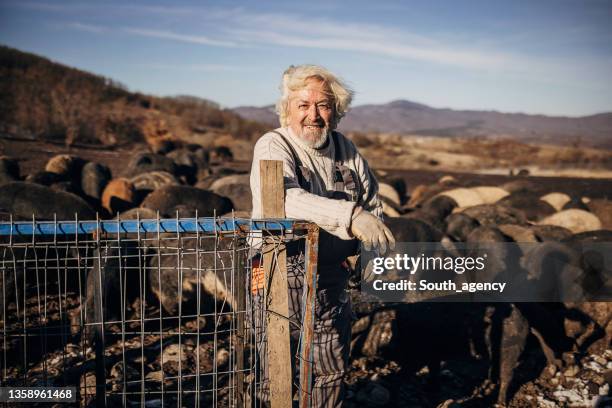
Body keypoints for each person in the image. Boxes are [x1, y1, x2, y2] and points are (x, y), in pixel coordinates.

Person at [250, 64, 395, 407]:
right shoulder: (273, 145)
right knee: (275, 367)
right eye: (303, 105)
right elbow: (284, 199)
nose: (313, 116)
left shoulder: (346, 150)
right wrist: (351, 216)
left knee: (329, 365)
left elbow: (372, 204)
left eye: (323, 106)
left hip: (330, 272)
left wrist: (370, 252)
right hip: (275, 269)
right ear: (287, 109)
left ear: (337, 111)